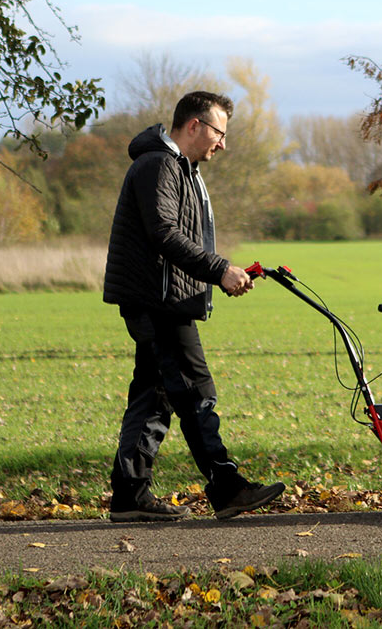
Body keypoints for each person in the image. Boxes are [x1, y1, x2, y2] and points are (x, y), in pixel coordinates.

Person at [103, 91, 284, 522]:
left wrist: (215, 275)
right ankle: (226, 486)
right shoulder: (158, 165)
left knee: (154, 395)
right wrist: (219, 270)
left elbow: (179, 239)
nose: (223, 144)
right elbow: (163, 233)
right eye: (219, 133)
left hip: (166, 299)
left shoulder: (183, 170)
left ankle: (129, 495)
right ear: (195, 126)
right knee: (195, 390)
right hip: (158, 302)